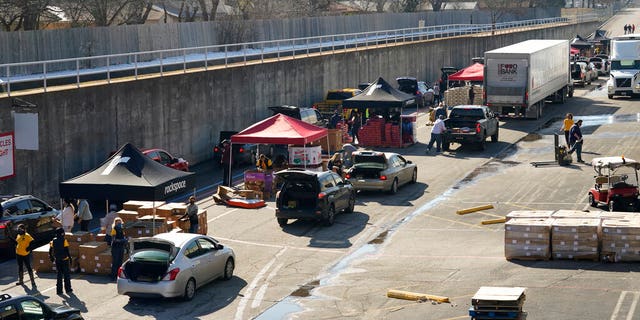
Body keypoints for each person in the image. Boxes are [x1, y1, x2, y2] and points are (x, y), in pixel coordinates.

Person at [49, 228, 72, 294]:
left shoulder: (53, 241)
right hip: (64, 260)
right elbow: (67, 251)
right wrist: (70, 259)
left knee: (59, 275)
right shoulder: (64, 240)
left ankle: (59, 291)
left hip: (57, 260)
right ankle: (68, 289)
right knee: (66, 275)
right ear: (62, 233)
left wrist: (51, 257)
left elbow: (50, 251)